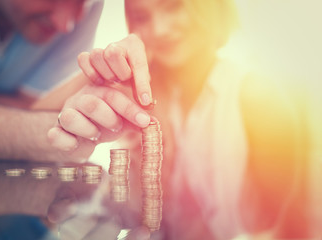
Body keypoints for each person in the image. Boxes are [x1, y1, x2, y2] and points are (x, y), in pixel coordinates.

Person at [62, 0, 306, 239]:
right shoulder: (137, 94)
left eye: (173, 6)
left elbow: (285, 221)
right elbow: (33, 114)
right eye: (142, 17)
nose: (159, 29)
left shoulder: (258, 97)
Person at [0, 0, 152, 162]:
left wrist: (95, 81)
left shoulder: (89, 9)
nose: (65, 25)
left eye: (81, 2)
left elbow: (30, 109)